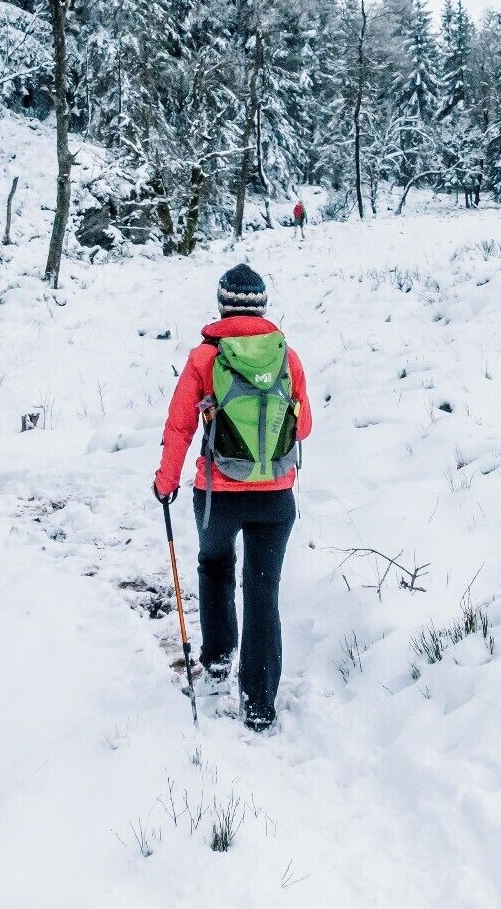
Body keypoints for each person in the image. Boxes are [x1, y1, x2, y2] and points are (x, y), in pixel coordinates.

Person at [153, 263, 312, 732]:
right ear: (262, 306)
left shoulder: (205, 358)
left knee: (215, 567)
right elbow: (303, 426)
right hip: (276, 497)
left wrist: (166, 481)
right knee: (263, 592)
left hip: (217, 495)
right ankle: (260, 704)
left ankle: (218, 664)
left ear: (222, 305)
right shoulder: (287, 356)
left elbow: (179, 426)